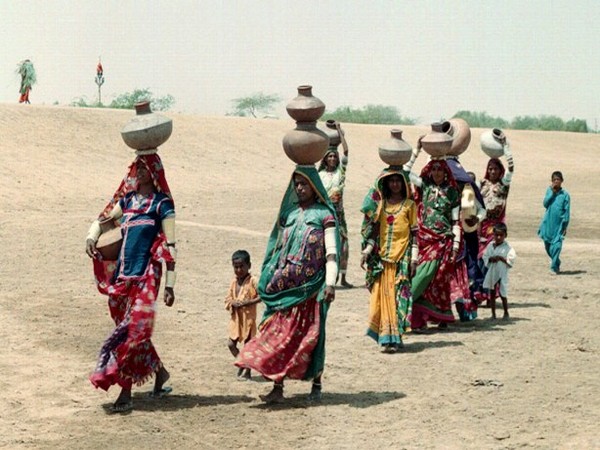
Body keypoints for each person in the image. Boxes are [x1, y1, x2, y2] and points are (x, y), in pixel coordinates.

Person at [235, 166, 339, 403]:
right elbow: (277, 249)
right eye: (297, 184)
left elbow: (331, 253)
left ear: (314, 186)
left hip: (311, 290)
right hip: (285, 290)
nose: (300, 188)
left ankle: (317, 382)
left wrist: (330, 283)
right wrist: (270, 278)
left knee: (312, 338)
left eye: (304, 184)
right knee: (277, 336)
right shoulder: (290, 216)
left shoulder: (325, 216)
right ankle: (277, 387)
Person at [85, 153, 177, 413]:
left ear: (154, 171)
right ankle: (160, 373)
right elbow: (104, 223)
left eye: (144, 167)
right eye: (137, 167)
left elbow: (171, 245)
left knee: (130, 335)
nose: (139, 172)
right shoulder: (127, 202)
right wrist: (91, 238)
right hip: (122, 278)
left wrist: (170, 284)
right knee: (132, 332)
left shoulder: (162, 205)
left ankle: (125, 393)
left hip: (146, 277)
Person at [403, 144, 463, 331]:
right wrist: (417, 149)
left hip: (442, 241)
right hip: (423, 240)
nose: (437, 173)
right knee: (423, 276)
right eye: (434, 169)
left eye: (440, 169)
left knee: (432, 277)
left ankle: (409, 303)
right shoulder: (425, 186)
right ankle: (414, 318)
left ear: (445, 172)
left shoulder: (452, 192)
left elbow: (455, 222)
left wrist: (455, 246)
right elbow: (405, 172)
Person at [360, 168, 417, 352]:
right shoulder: (382, 206)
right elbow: (375, 232)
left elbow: (415, 235)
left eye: (398, 181)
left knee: (397, 298)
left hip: (402, 259)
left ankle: (396, 336)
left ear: (403, 184)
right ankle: (386, 339)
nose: (395, 184)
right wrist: (367, 251)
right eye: (391, 181)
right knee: (384, 298)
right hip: (384, 260)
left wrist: (414, 259)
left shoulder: (409, 205)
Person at [446, 158, 486, 321]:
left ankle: (466, 311)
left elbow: (482, 209)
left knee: (467, 275)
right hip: (447, 239)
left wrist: (476, 219)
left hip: (467, 240)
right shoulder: (444, 191)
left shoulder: (470, 192)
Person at [318, 121, 352, 288]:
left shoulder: (341, 172)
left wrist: (339, 130)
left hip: (339, 213)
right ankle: (326, 276)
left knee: (344, 246)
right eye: (329, 156)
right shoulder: (321, 175)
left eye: (334, 156)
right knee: (325, 245)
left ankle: (343, 277)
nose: (332, 158)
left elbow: (346, 151)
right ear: (325, 159)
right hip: (326, 212)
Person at [225, 249, 260, 380]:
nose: (239, 270)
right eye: (236, 267)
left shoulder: (253, 281)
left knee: (248, 347)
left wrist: (248, 303)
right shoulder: (234, 282)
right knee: (231, 344)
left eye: (242, 266)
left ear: (249, 266)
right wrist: (232, 303)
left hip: (249, 320)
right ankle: (242, 363)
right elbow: (227, 299)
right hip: (236, 320)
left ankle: (248, 372)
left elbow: (262, 296)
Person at [538, 171, 570, 275]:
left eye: (558, 179)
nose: (556, 181)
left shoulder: (565, 195)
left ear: (562, 181)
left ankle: (554, 268)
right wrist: (552, 193)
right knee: (548, 247)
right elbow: (545, 204)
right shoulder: (549, 190)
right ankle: (557, 261)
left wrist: (565, 226)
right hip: (548, 223)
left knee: (557, 246)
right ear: (552, 181)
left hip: (559, 225)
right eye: (554, 179)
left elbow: (567, 211)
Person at [482, 223, 516, 319]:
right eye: (496, 235)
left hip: (502, 272)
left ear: (505, 235)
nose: (499, 237)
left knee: (502, 292)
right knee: (492, 293)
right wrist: (491, 259)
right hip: (492, 272)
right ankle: (493, 314)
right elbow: (485, 256)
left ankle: (506, 312)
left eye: (501, 235)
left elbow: (511, 260)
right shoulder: (490, 246)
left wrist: (501, 259)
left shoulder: (507, 248)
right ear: (493, 235)